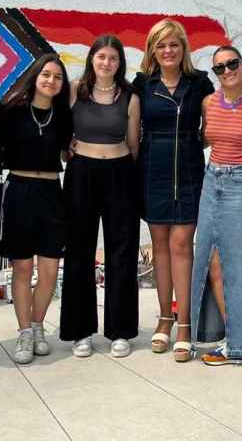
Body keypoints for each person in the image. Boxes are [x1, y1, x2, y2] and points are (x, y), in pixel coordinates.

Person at [133, 19, 215, 362]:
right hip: (153, 169)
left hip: (190, 169)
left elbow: (212, 126)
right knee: (161, 247)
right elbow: (131, 129)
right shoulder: (142, 84)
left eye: (174, 45)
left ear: (183, 49)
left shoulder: (200, 83)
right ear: (153, 50)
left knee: (182, 244)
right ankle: (164, 319)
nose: (168, 51)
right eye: (161, 45)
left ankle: (184, 324)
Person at [59, 35, 141, 358]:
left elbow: (134, 145)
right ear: (92, 58)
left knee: (122, 251)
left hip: (120, 175)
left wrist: (128, 180)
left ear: (120, 63)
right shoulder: (75, 90)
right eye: (101, 56)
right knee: (79, 251)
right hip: (81, 176)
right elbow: (64, 138)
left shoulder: (130, 97)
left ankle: (120, 330)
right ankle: (81, 331)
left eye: (113, 58)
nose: (107, 63)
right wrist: (68, 152)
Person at [191, 46, 242, 365]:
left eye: (232, 64)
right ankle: (226, 334)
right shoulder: (208, 103)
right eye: (220, 68)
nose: (227, 71)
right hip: (212, 182)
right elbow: (203, 140)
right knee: (211, 259)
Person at [0, 53, 73, 364]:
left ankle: (39, 325)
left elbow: (68, 153)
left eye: (57, 77)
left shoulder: (64, 116)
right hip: (19, 190)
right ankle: (24, 331)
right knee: (22, 268)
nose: (51, 81)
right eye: (46, 75)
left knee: (49, 270)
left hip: (51, 192)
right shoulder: (13, 111)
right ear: (35, 76)